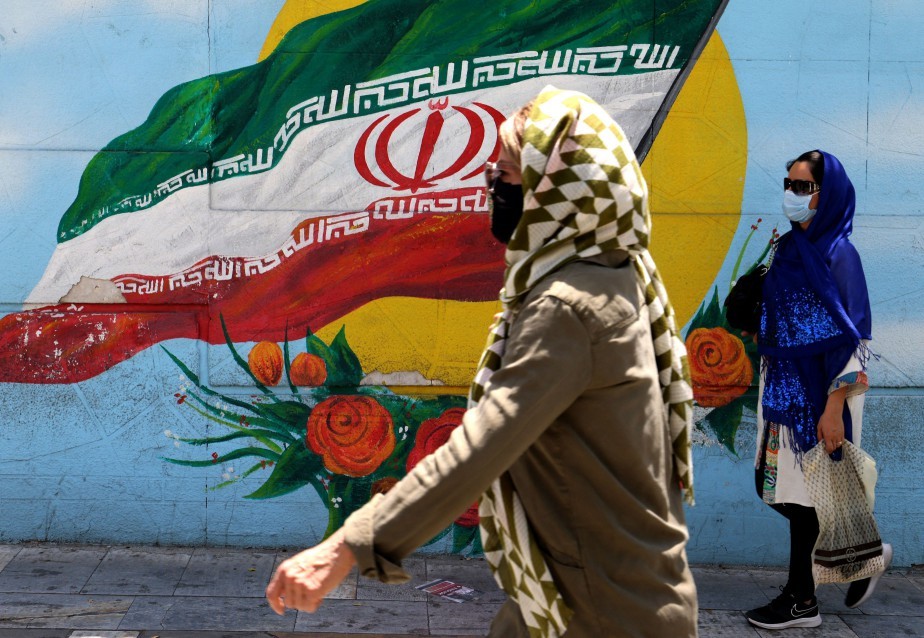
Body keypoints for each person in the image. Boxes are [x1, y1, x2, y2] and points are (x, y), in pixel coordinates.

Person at [266, 86, 699, 637]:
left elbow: (481, 449)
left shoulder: (566, 306)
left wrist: (347, 547)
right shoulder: (616, 274)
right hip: (580, 593)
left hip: (598, 610)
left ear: (558, 193)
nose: (493, 183)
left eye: (509, 172)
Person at [745, 150, 890, 630]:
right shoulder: (787, 248)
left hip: (827, 393)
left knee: (803, 497)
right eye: (788, 184)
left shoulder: (840, 254)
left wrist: (833, 408)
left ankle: (800, 602)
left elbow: (856, 338)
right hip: (784, 390)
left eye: (803, 187)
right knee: (778, 489)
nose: (793, 195)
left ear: (827, 196)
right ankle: (859, 552)